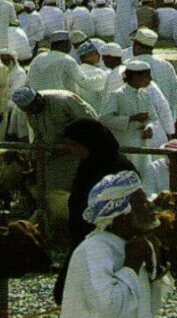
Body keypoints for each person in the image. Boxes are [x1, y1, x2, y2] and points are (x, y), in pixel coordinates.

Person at [50, 170, 167, 318]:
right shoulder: (94, 250)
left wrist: (154, 270)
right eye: (141, 203)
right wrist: (131, 265)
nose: (149, 207)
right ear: (122, 213)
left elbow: (151, 308)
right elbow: (109, 309)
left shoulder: (132, 244)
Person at [53, 118, 136, 303]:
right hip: (84, 239)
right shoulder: (88, 164)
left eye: (75, 145)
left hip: (109, 241)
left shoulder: (119, 168)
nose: (73, 151)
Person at [9, 87, 99, 228]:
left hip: (78, 154)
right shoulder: (31, 111)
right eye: (27, 110)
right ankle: (57, 226)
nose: (31, 112)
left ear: (38, 99)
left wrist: (71, 144)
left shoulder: (63, 101)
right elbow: (38, 135)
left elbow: (91, 123)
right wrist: (33, 157)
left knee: (78, 191)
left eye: (32, 108)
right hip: (54, 158)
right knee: (54, 195)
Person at [99, 60, 175, 173]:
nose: (150, 79)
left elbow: (153, 118)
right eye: (146, 76)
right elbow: (104, 118)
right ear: (134, 77)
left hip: (142, 146)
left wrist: (149, 127)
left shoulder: (144, 94)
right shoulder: (117, 95)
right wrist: (131, 119)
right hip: (125, 145)